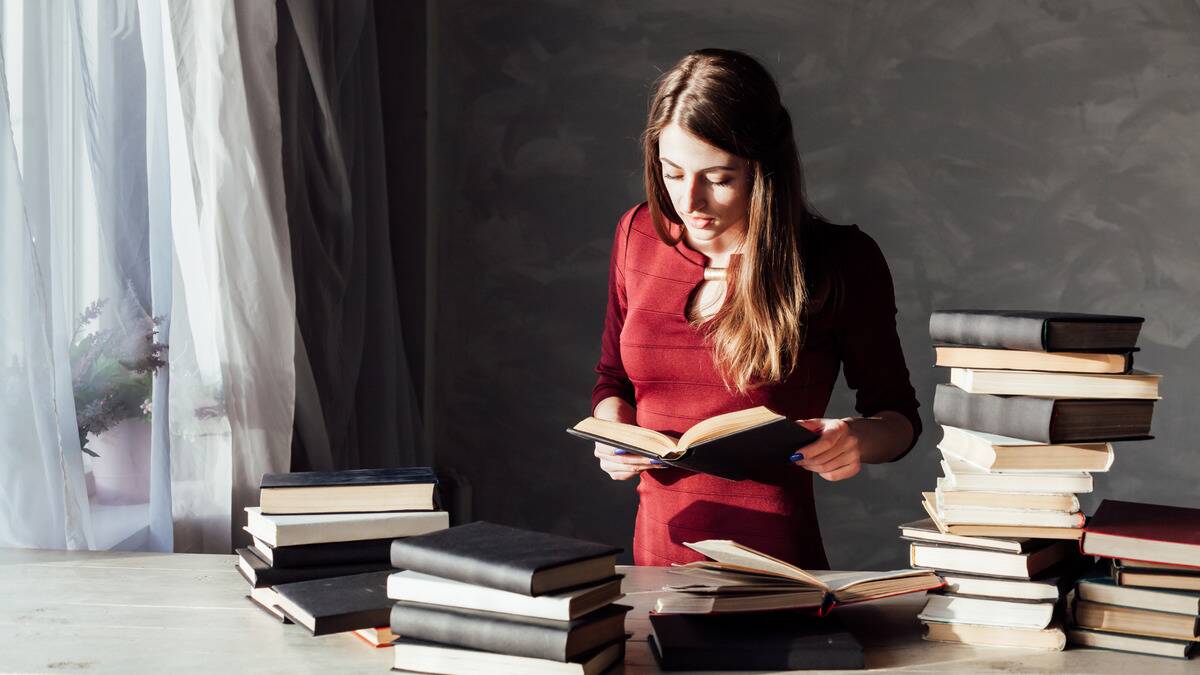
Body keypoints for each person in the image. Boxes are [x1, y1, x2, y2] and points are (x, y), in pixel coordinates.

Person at [590, 48, 922, 568]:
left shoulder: (840, 260)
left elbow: (900, 419)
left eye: (719, 179)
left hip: (774, 568)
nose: (690, 201)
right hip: (653, 560)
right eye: (672, 173)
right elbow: (613, 382)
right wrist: (612, 436)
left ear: (763, 171)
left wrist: (852, 438)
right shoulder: (637, 235)